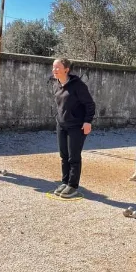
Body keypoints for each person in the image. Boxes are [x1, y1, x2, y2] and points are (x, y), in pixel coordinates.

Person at [51, 57, 95, 199]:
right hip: (62, 125)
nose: (54, 70)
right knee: (64, 156)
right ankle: (65, 182)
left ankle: (73, 186)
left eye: (58, 68)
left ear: (66, 69)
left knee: (73, 157)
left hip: (77, 126)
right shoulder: (56, 84)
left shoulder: (78, 85)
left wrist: (87, 122)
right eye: (53, 67)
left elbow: (90, 104)